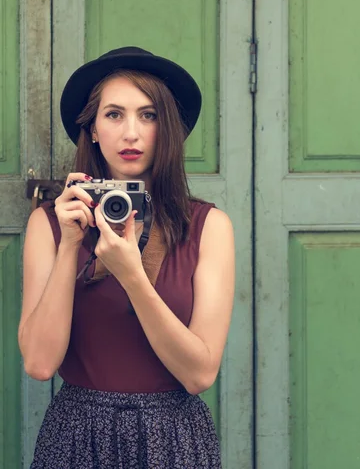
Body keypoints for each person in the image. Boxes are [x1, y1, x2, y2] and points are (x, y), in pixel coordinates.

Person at [18, 47, 235, 468]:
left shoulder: (208, 226)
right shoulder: (51, 225)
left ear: (167, 129)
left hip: (173, 437)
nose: (130, 133)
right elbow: (41, 364)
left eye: (148, 115)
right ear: (94, 129)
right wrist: (68, 246)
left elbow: (199, 375)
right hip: (78, 436)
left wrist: (132, 276)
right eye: (114, 115)